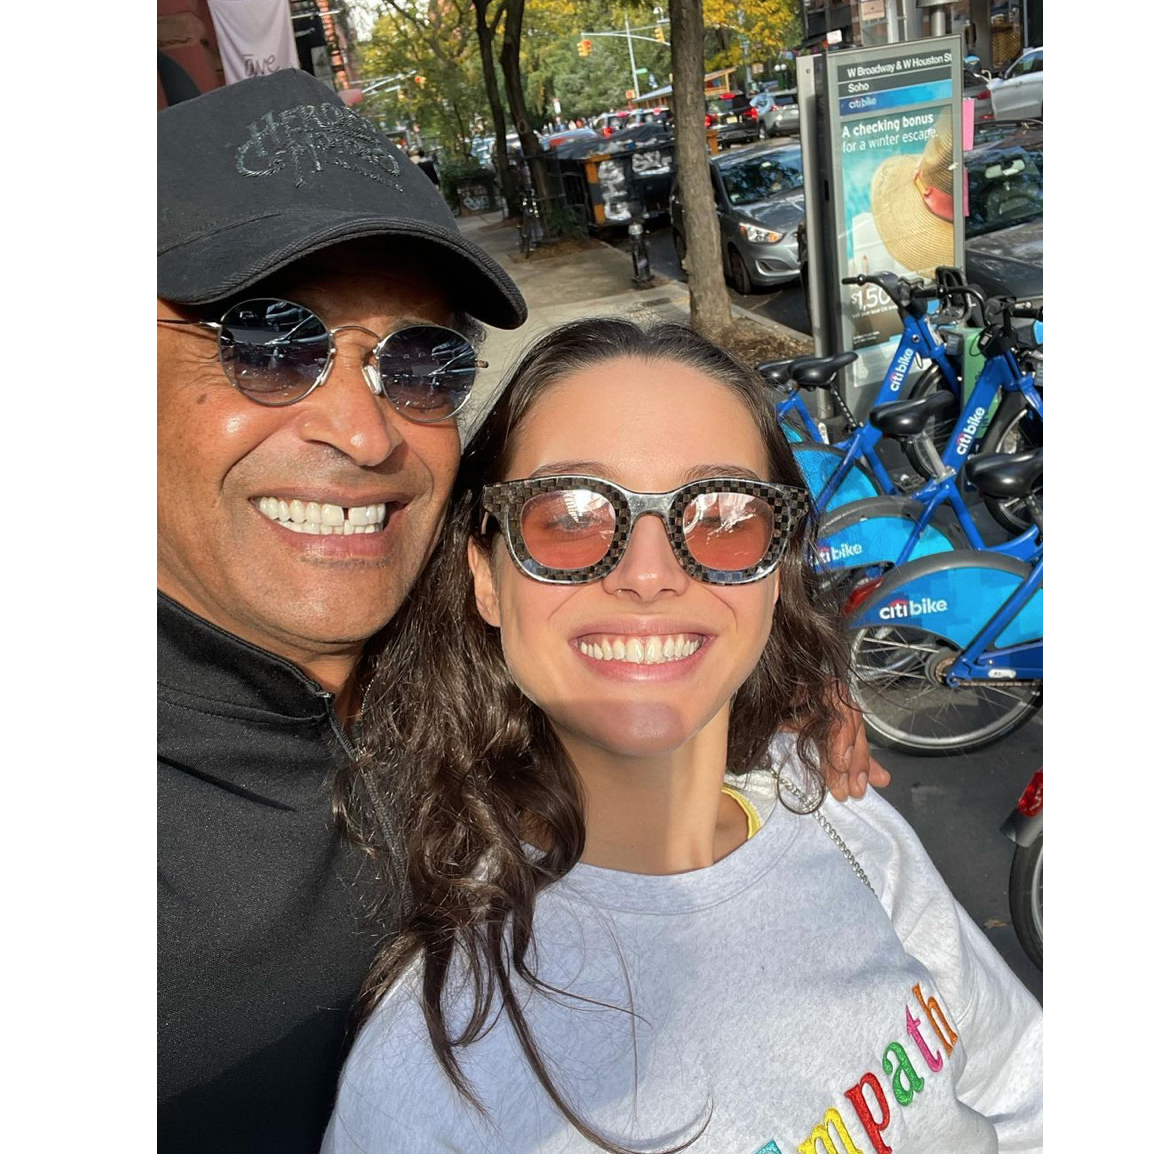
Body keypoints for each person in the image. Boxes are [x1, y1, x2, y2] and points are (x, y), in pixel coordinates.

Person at [157, 71, 884, 1154]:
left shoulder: (494, 635)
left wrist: (777, 683)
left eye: (421, 362)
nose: (365, 434)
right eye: (270, 341)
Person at [323, 320, 1042, 1153]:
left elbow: (1017, 1086)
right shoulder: (437, 1075)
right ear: (486, 578)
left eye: (725, 516)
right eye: (570, 516)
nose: (650, 574)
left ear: (775, 574)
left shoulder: (841, 817)